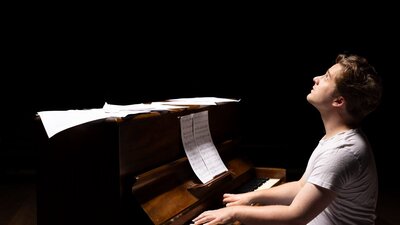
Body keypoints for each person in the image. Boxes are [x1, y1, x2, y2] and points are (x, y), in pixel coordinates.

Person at [192, 53, 383, 225]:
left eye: (326, 77)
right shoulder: (335, 139)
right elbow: (301, 186)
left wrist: (235, 213)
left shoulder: (343, 151)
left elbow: (296, 215)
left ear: (338, 101)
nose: (315, 79)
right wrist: (251, 197)